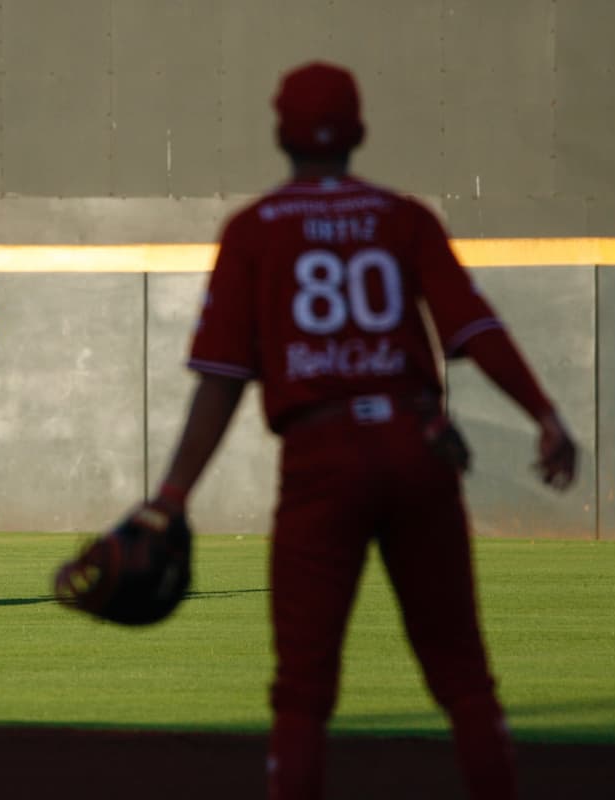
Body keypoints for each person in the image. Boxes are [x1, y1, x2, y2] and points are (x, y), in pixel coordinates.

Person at [142, 62, 577, 799]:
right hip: (417, 449)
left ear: (280, 134)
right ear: (360, 133)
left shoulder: (253, 231)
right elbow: (474, 325)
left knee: (304, 691)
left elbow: (222, 377)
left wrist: (173, 495)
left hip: (322, 457)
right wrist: (543, 413)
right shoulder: (403, 217)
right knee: (463, 676)